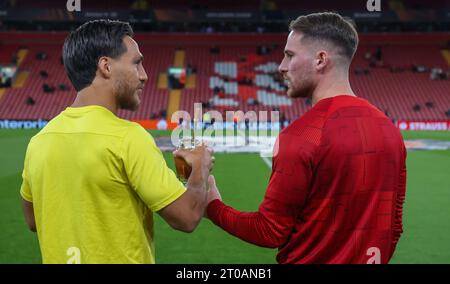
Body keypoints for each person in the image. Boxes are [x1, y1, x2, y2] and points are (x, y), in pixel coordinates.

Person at [205, 12, 407, 264]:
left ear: (320, 60)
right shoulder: (390, 131)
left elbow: (269, 231)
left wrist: (212, 205)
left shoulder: (302, 135)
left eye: (289, 55)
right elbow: (393, 226)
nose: (281, 66)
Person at [20, 19, 214, 264]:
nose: (144, 76)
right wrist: (200, 170)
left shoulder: (39, 141)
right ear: (106, 66)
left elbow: (32, 220)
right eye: (136, 63)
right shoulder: (128, 138)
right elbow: (186, 217)